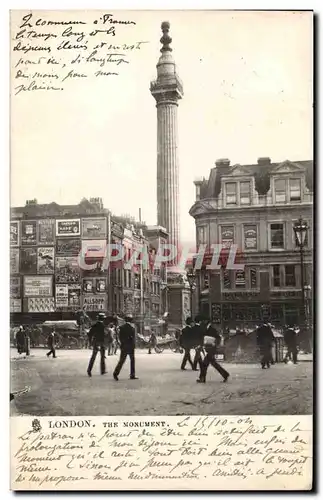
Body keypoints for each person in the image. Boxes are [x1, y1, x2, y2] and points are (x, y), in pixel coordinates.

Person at [113, 314, 138, 381]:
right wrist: (134, 345)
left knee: (121, 361)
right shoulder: (132, 328)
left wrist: (122, 344)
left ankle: (115, 373)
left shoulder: (122, 327)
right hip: (130, 346)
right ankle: (132, 375)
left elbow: (120, 337)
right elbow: (133, 339)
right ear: (131, 320)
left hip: (124, 346)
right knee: (132, 360)